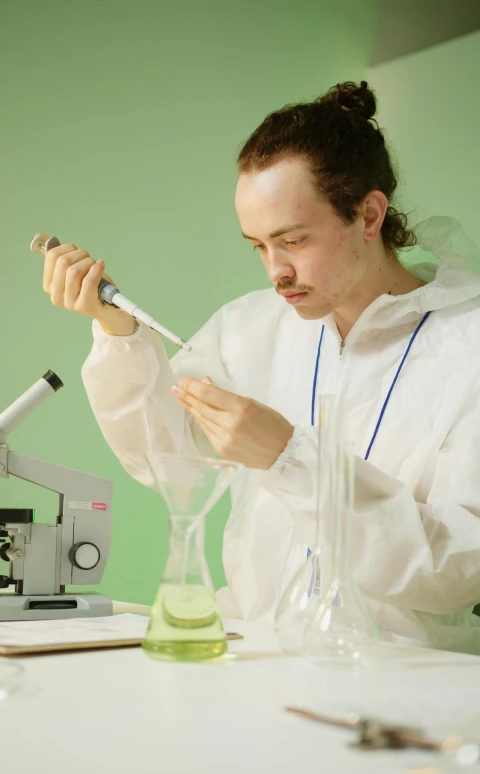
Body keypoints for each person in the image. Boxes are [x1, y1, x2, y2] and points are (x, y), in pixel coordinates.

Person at [42, 81, 480, 652]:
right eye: (257, 245)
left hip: (406, 681)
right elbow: (168, 462)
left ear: (368, 214)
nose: (276, 272)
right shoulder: (249, 327)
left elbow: (458, 564)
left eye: (293, 240)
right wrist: (118, 332)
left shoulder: (467, 343)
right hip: (257, 654)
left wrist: (289, 456)